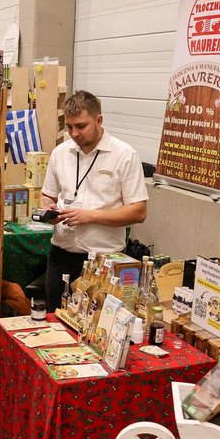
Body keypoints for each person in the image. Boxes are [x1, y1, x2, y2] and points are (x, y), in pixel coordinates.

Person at [40, 91, 148, 312]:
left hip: (105, 262)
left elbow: (139, 212)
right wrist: (48, 211)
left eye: (81, 126)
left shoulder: (125, 155)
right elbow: (47, 196)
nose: (74, 133)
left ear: (99, 120)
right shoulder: (60, 153)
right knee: (55, 321)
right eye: (69, 127)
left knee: (99, 331)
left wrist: (90, 216)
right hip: (60, 257)